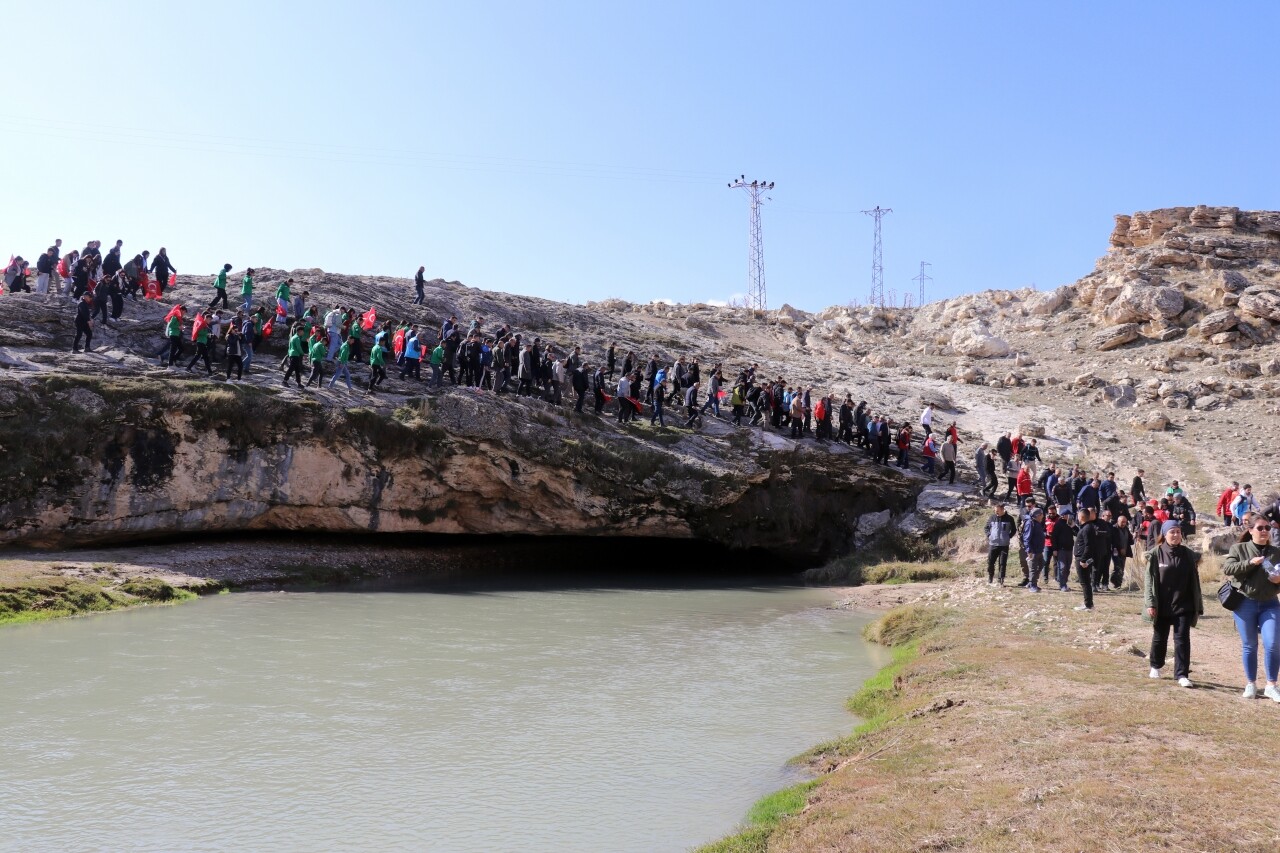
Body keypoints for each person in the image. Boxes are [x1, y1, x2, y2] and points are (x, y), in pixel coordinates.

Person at [1223, 516, 1280, 700]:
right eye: (1260, 527)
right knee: (1250, 645)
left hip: (1270, 603)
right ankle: (1251, 684)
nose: (1264, 531)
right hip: (1245, 603)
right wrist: (1250, 563)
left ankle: (1271, 685)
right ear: (1250, 530)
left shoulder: (1276, 552)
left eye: (1267, 528)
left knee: (1272, 644)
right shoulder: (1239, 549)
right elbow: (1228, 569)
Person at [1144, 521, 1203, 688]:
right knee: (1159, 638)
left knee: (1182, 639)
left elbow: (1195, 581)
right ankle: (1155, 666)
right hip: (1161, 604)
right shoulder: (1156, 554)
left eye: (1178, 532)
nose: (1176, 535)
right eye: (1172, 532)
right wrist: (1150, 602)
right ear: (1164, 534)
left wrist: (1197, 605)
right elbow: (1149, 581)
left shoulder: (1189, 554)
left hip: (1184, 604)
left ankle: (1182, 674)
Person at [1073, 507, 1104, 612]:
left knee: (1085, 582)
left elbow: (1088, 545)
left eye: (1078, 516)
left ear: (1081, 516)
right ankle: (1088, 603)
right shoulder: (1085, 527)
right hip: (1082, 557)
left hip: (1082, 558)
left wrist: (1083, 559)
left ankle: (1088, 605)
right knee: (1085, 582)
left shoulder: (1087, 528)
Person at [985, 504, 1017, 586]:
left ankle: (1001, 579)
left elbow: (1013, 530)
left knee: (1002, 563)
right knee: (990, 562)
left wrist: (1008, 537)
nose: (996, 512)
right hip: (993, 544)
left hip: (1004, 545)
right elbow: (986, 528)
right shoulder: (992, 517)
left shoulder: (1009, 518)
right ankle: (990, 577)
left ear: (1003, 510)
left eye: (998, 511)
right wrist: (989, 535)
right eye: (995, 511)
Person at [1050, 509, 1076, 591]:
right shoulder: (1058, 524)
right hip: (1061, 549)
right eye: (1069, 515)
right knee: (1062, 567)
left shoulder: (1071, 523)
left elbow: (1078, 533)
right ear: (1064, 515)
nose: (1071, 516)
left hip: (1069, 549)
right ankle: (1062, 585)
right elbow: (1053, 537)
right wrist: (1054, 549)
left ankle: (1064, 583)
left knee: (1067, 567)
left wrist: (1073, 526)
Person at [1022, 508, 1046, 592]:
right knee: (1033, 568)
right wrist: (1029, 551)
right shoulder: (1030, 523)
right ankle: (1033, 586)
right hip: (1033, 551)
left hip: (1039, 550)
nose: (1043, 516)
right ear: (1038, 515)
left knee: (1041, 565)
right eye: (1041, 514)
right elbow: (1026, 538)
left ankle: (1031, 583)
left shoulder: (1037, 523)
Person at [1112, 515, 1134, 590]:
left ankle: (1118, 584)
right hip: (1116, 551)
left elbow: (1130, 540)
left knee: (1122, 567)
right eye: (1122, 522)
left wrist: (1134, 537)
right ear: (1118, 521)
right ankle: (1115, 583)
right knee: (1118, 567)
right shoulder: (1114, 528)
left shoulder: (1126, 529)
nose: (1123, 523)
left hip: (1124, 552)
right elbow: (1114, 540)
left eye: (1125, 522)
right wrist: (1120, 548)